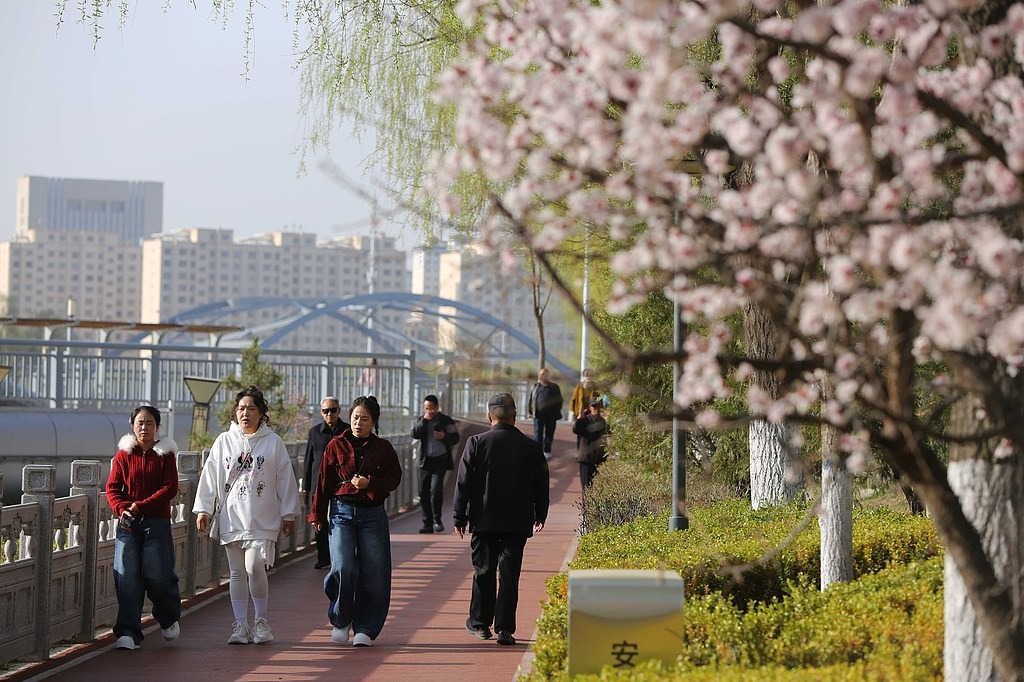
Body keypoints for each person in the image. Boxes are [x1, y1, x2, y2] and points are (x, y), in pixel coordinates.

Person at [193, 385, 301, 646]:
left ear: (261, 412)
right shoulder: (224, 441)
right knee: (236, 572)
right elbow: (210, 475)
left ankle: (261, 621)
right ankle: (241, 624)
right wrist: (204, 509)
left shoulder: (273, 442)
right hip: (232, 516)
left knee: (254, 566)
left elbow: (285, 478)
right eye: (241, 408)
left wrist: (288, 513)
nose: (245, 413)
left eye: (251, 408)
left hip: (262, 517)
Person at [453, 393, 550, 647]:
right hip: (517, 522)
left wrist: (459, 516)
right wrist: (540, 513)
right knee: (509, 575)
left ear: (490, 416)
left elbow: (463, 482)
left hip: (483, 520)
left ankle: (480, 623)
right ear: (514, 417)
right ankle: (505, 629)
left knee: (483, 571)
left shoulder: (476, 443)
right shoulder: (530, 446)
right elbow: (541, 483)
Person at [308, 395, 403, 648]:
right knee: (343, 566)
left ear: (374, 422)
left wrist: (371, 483)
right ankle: (341, 620)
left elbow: (394, 478)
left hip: (372, 514)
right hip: (341, 513)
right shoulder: (335, 445)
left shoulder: (383, 448)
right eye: (355, 417)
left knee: (374, 570)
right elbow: (323, 482)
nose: (359, 423)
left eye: (365, 419)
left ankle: (366, 627)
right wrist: (317, 514)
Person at [106, 405, 182, 650]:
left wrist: (141, 506)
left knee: (157, 575)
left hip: (156, 524)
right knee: (126, 577)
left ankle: (167, 616)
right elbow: (112, 488)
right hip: (128, 524)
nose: (144, 427)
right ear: (132, 426)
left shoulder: (165, 455)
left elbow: (169, 488)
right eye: (140, 422)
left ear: (157, 427)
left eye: (150, 423)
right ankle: (128, 632)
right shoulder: (123, 455)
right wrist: (123, 509)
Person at [303, 396, 350, 569]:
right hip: (318, 485)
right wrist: (305, 487)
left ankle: (340, 556)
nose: (329, 414)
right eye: (325, 411)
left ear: (339, 411)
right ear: (321, 413)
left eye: (333, 410)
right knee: (319, 521)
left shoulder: (348, 431)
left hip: (341, 485)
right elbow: (308, 461)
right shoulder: (314, 432)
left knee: (341, 521)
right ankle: (323, 557)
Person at [411, 394, 461, 534]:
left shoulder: (446, 420)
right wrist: (423, 421)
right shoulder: (421, 420)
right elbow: (414, 434)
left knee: (435, 490)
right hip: (424, 462)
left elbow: (456, 438)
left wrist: (444, 436)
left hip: (440, 461)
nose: (430, 411)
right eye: (427, 408)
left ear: (437, 407)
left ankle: (437, 520)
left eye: (432, 408)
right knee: (423, 492)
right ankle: (427, 523)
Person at [572, 398, 610, 490]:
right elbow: (575, 429)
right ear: (590, 408)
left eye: (599, 406)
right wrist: (579, 418)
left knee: (599, 489)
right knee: (586, 488)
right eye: (594, 406)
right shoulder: (585, 420)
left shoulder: (604, 421)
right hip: (586, 459)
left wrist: (608, 421)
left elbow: (610, 433)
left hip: (600, 460)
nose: (597, 409)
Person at [527, 368, 564, 458]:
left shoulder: (554, 387)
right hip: (538, 415)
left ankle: (547, 450)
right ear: (539, 375)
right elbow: (531, 400)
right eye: (542, 374)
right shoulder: (535, 387)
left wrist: (556, 410)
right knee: (537, 434)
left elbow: (559, 400)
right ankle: (538, 452)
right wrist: (530, 412)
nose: (544, 375)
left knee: (549, 433)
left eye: (545, 374)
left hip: (551, 415)